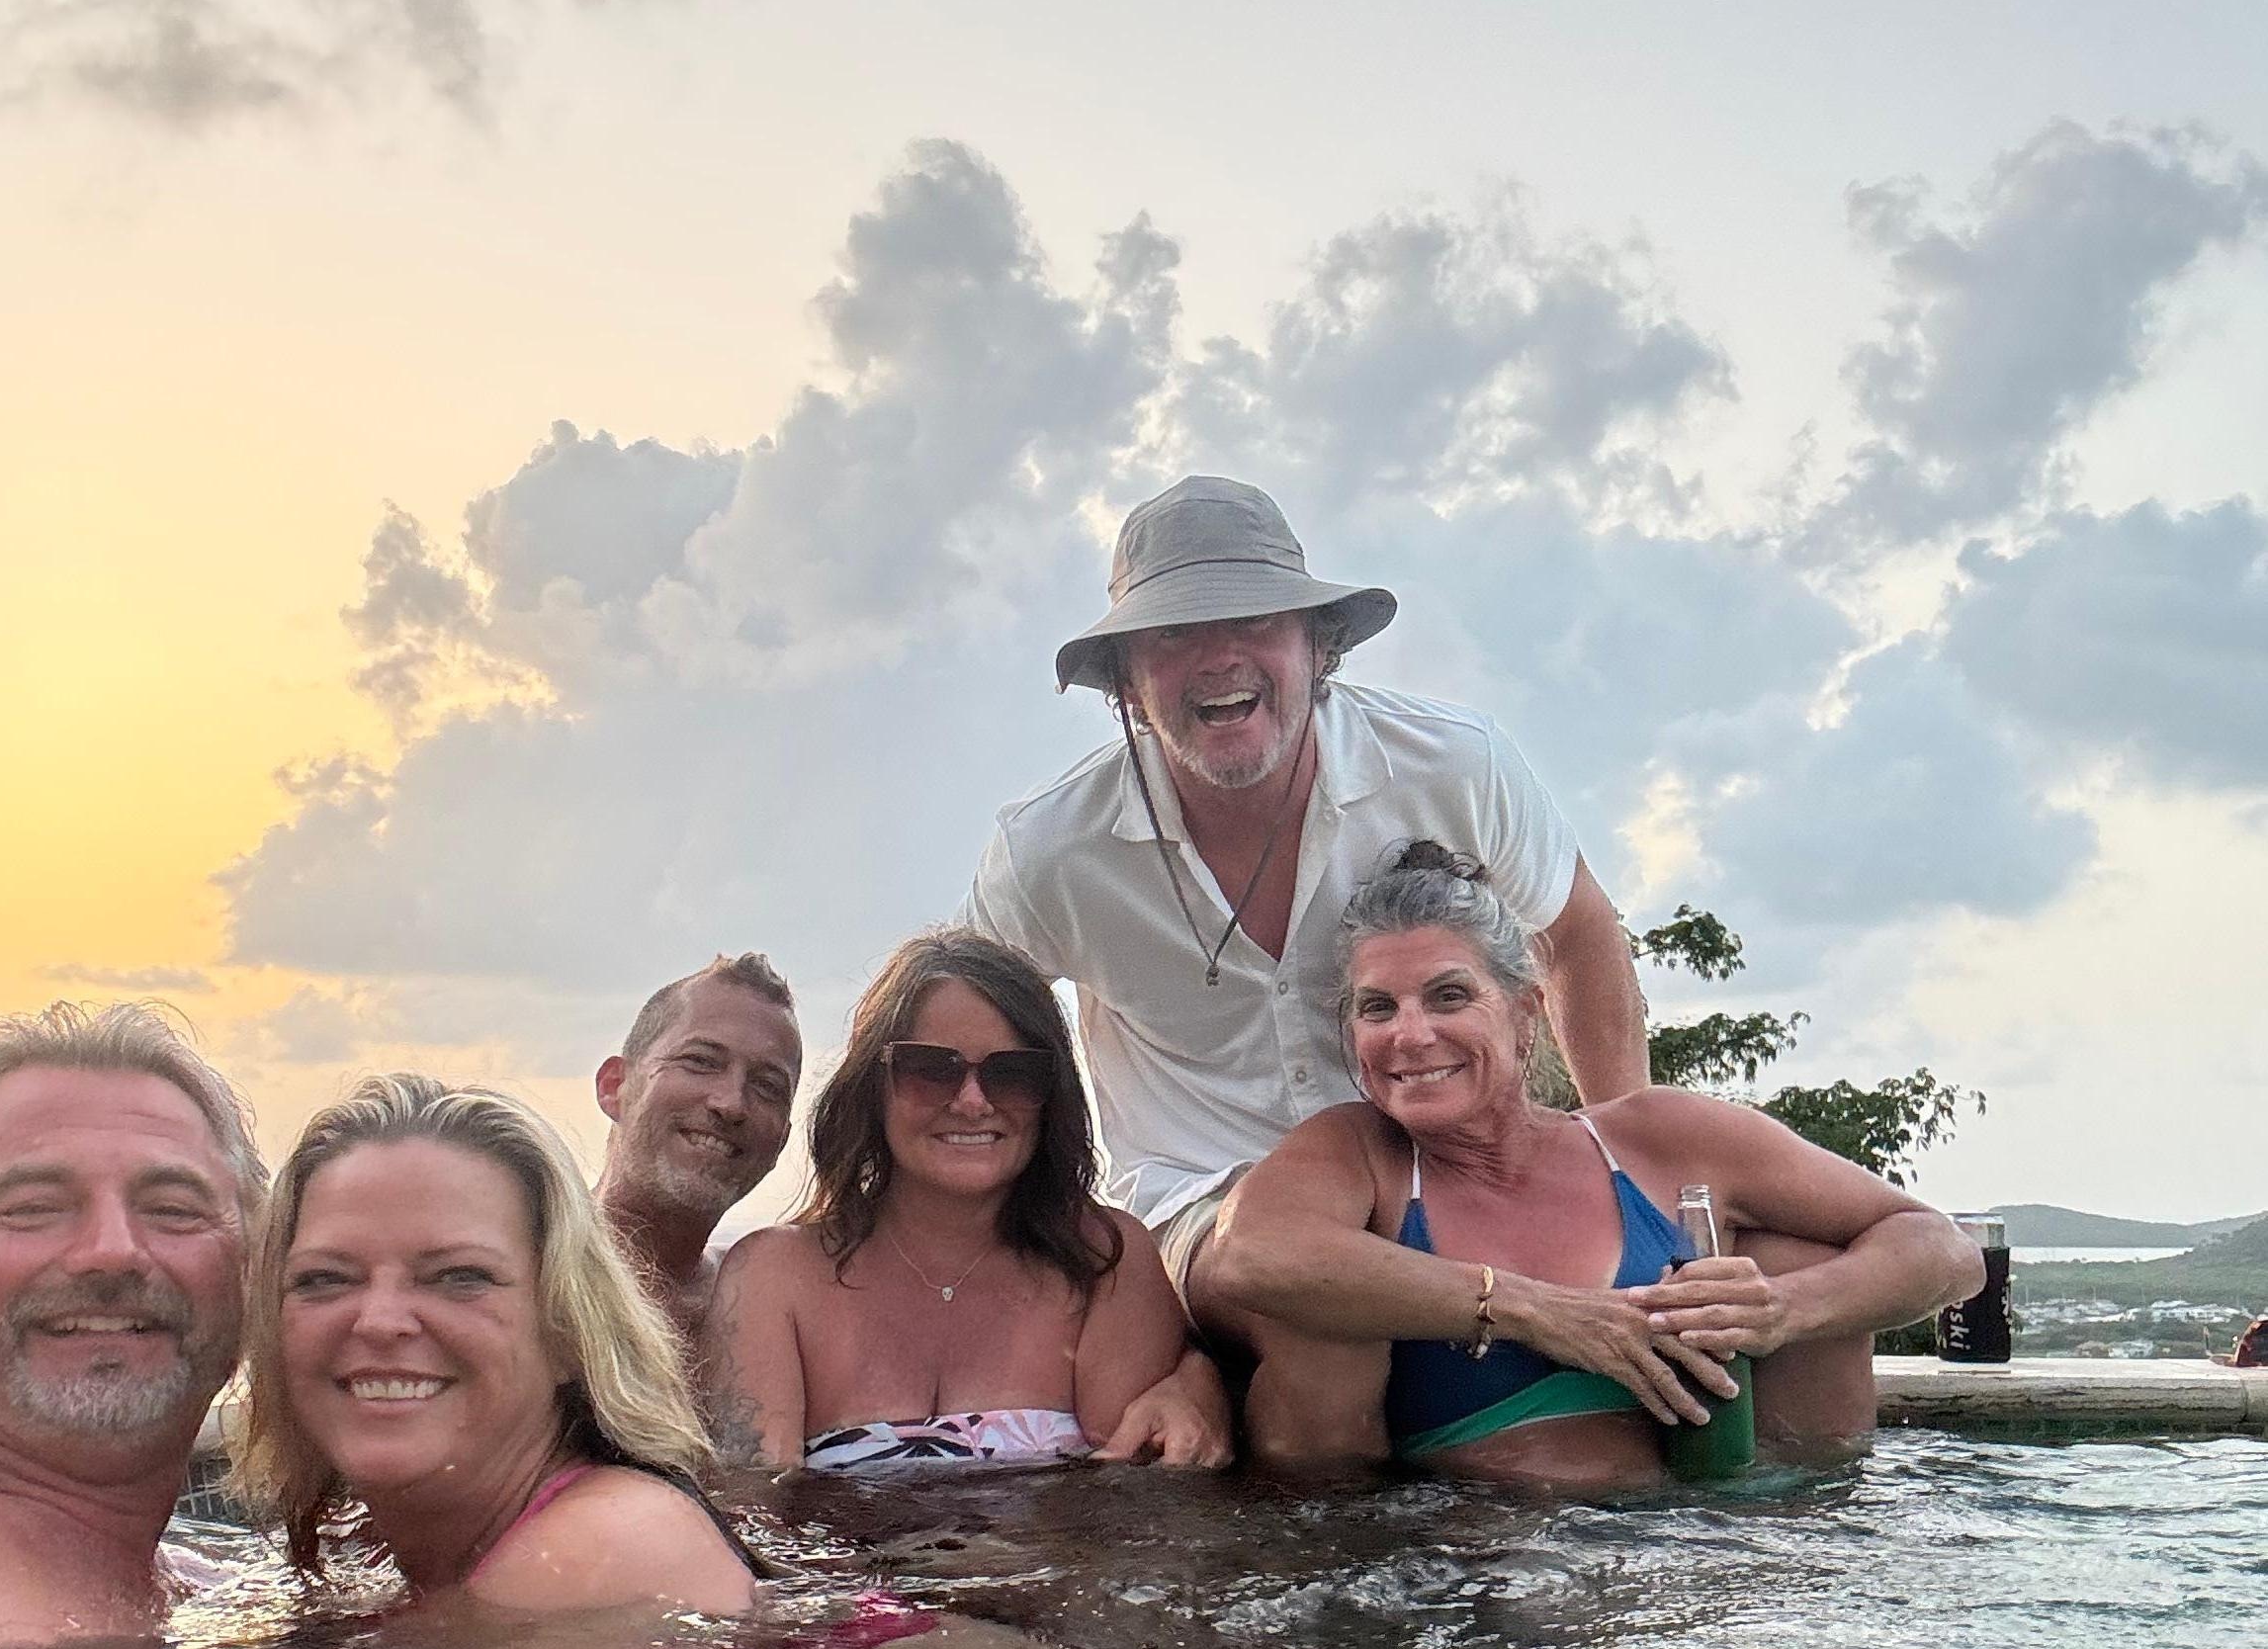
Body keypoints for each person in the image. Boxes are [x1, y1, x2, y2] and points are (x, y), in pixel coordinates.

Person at [960, 475, 1649, 1320]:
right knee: (1308, 1315)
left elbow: (1579, 934)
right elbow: (953, 1030)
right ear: (1127, 684)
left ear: (1321, 647)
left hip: (1447, 1172)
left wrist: (1627, 1169)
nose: (1219, 657)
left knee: (1775, 1257)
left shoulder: (1456, 764)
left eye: (1255, 619)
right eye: (1174, 632)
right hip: (1197, 1208)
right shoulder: (1048, 851)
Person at [1196, 844, 1984, 1487]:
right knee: (1319, 1317)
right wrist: (1534, 1312)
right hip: (1474, 1570)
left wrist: (1782, 1308)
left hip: (1727, 1550)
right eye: (1378, 1008)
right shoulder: (1356, 1152)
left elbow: (1943, 1248)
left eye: (1448, 996)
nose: (1410, 1034)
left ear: (1525, 1013)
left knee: (1800, 1256)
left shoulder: (1657, 1136)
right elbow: (1251, 1257)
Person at [703, 931, 1230, 1471]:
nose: (973, 1102)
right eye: (932, 1069)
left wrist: (1202, 1375)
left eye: (1013, 1073)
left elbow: (1134, 1492)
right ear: (872, 1088)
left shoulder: (1103, 1260)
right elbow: (757, 1500)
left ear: (1051, 1096)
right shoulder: (773, 1276)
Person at [236, 1074, 756, 1617]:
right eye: (325, 1278)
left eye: (460, 1276)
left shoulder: (597, 1553)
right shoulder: (415, 1550)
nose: (379, 1322)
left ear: (568, 1329)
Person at [0, 1002, 257, 1649]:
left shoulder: (215, 1589)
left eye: (173, 1209)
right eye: (32, 1208)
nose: (111, 1251)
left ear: (257, 1267)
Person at [593, 953, 805, 1354]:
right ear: (614, 1086)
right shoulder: (518, 1272)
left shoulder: (765, 1313)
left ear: (781, 1142)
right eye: (701, 1062)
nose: (731, 1104)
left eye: (767, 1086)